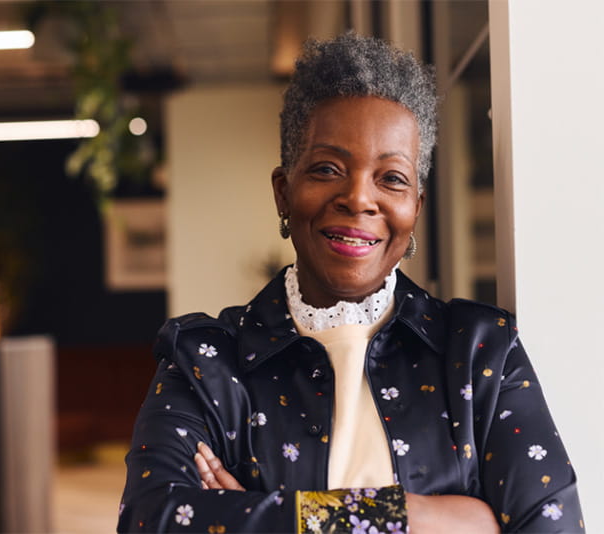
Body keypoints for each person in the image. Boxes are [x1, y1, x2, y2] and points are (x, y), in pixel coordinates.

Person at [117, 32, 584, 533]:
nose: (359, 198)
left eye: (392, 178)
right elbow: (152, 521)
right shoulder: (205, 363)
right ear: (283, 192)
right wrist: (413, 517)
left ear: (415, 210)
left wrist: (259, 515)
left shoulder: (479, 352)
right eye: (327, 169)